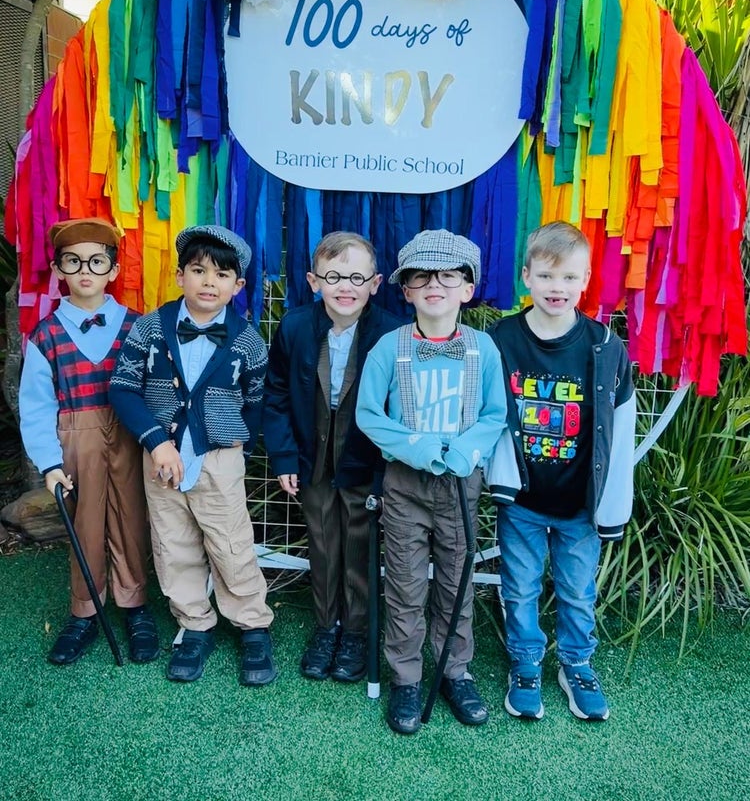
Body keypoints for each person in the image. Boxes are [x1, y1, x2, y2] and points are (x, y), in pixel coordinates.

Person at [110, 224, 275, 686]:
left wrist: (239, 442)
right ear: (179, 275)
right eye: (198, 271)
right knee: (172, 542)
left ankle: (252, 624)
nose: (209, 282)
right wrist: (155, 440)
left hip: (218, 456)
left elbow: (256, 398)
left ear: (237, 286)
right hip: (159, 455)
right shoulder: (149, 328)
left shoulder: (247, 341)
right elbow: (123, 388)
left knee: (230, 542)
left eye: (222, 275)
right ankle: (194, 622)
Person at [356, 229, 506, 734]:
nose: (435, 285)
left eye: (449, 275)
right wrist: (416, 446)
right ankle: (406, 677)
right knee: (403, 582)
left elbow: (494, 414)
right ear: (407, 289)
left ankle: (454, 670)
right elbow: (369, 415)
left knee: (456, 583)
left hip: (462, 486)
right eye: (423, 276)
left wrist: (466, 449)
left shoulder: (483, 349)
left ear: (468, 288)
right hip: (404, 485)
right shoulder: (387, 348)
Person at [487, 220, 635, 722]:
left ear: (587, 279)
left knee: (576, 589)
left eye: (570, 278)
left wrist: (612, 505)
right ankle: (526, 662)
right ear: (527, 276)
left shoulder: (605, 347)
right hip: (524, 498)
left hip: (579, 503)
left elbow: (621, 430)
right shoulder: (501, 339)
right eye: (548, 276)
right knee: (521, 585)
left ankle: (576, 663)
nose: (558, 288)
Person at [19, 217, 159, 666]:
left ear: (113, 271)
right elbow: (37, 405)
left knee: (132, 519)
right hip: (75, 437)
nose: (85, 271)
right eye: (73, 262)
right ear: (59, 270)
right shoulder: (45, 336)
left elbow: (156, 388)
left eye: (97, 262)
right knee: (86, 524)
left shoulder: (138, 326)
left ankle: (135, 605)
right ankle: (85, 610)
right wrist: (48, 461)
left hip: (130, 433)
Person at [263, 232, 402, 683]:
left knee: (360, 545)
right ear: (313, 280)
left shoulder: (391, 332)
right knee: (322, 544)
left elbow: (399, 405)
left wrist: (385, 473)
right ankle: (327, 627)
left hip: (364, 461)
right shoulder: (296, 326)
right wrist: (284, 458)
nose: (346, 286)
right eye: (334, 276)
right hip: (312, 461)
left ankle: (357, 630)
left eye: (357, 277)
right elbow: (278, 394)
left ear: (376, 283)